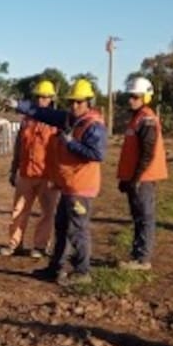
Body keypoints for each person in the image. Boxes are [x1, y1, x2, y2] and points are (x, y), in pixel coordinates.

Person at [13, 78, 107, 286]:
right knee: (62, 226)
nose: (74, 106)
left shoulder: (94, 126)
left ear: (89, 102)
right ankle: (56, 267)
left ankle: (82, 271)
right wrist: (18, 105)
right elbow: (44, 113)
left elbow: (97, 154)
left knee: (77, 230)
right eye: (72, 102)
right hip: (68, 185)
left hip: (81, 187)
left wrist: (71, 143)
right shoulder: (71, 120)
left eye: (79, 102)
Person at [0, 79, 61, 258]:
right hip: (26, 173)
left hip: (47, 175)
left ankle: (40, 246)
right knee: (19, 210)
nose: (41, 100)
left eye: (45, 97)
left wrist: (58, 176)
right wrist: (14, 170)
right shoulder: (27, 120)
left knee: (47, 213)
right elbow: (19, 146)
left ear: (51, 99)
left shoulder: (57, 121)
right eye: (38, 97)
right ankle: (14, 244)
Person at [116, 76, 168, 270]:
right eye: (130, 96)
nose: (131, 100)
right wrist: (126, 178)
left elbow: (147, 152)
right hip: (136, 178)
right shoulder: (137, 118)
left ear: (145, 97)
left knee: (144, 216)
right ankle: (137, 256)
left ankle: (142, 259)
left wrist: (136, 178)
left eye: (135, 96)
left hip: (143, 179)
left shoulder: (146, 119)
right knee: (138, 217)